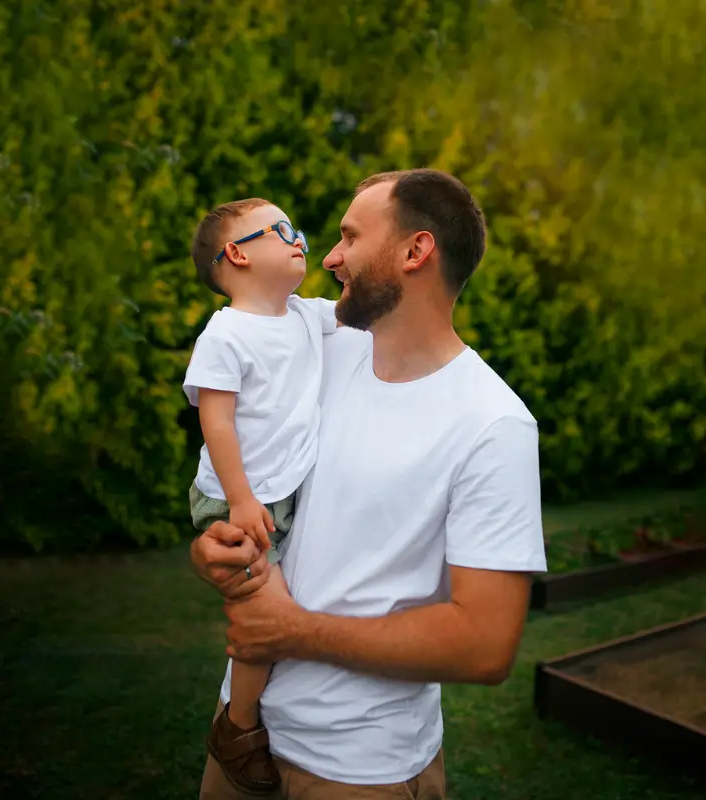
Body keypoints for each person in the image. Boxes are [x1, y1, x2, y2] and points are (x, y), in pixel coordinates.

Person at [191, 169, 547, 799]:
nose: (328, 258)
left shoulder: (493, 423)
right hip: (239, 738)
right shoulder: (315, 346)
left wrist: (292, 632)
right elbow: (242, 463)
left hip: (356, 769)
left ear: (416, 251)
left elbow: (485, 646)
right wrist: (216, 546)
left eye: (350, 237)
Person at [184, 198, 337, 794]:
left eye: (294, 227)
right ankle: (238, 726)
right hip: (234, 498)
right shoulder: (225, 334)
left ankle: (242, 718)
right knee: (266, 619)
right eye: (281, 231)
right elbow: (216, 425)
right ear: (239, 254)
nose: (297, 237)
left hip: (280, 492)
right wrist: (244, 501)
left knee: (271, 607)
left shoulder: (304, 315)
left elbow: (360, 314)